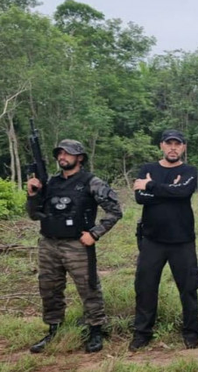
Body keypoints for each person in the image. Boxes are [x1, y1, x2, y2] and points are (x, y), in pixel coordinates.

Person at [26, 139, 123, 353]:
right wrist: (33, 194)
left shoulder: (91, 182)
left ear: (79, 157)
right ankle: (54, 330)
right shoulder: (50, 183)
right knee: (49, 289)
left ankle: (96, 331)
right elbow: (34, 214)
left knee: (88, 288)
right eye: (60, 153)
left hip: (77, 245)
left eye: (67, 153)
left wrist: (95, 234)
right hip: (49, 244)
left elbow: (115, 211)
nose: (63, 157)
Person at [130, 129, 198, 351]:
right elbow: (140, 197)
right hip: (152, 240)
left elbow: (183, 192)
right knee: (145, 287)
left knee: (188, 288)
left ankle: (191, 332)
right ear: (161, 145)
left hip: (182, 240)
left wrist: (151, 187)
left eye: (177, 144)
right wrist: (170, 191)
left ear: (183, 148)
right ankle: (142, 333)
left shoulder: (189, 170)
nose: (173, 147)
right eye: (168, 143)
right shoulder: (148, 169)